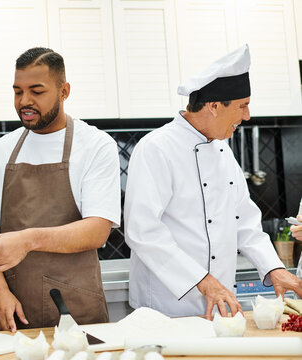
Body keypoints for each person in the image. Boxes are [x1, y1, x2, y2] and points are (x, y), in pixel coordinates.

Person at [124, 44, 302, 320]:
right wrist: (204, 281)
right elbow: (143, 231)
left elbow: (245, 222)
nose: (247, 116)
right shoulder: (156, 148)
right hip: (166, 308)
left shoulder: (222, 152)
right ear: (214, 106)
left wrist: (274, 268)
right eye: (243, 106)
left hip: (219, 306)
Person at [0, 47, 121, 332]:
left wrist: (28, 240)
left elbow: (97, 230)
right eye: (18, 91)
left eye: (37, 91)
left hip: (77, 311)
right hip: (16, 311)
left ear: (64, 91)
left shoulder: (95, 146)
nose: (24, 101)